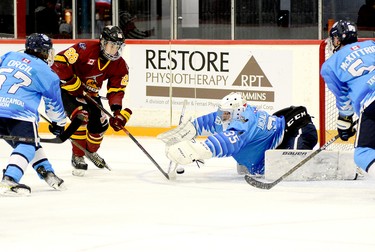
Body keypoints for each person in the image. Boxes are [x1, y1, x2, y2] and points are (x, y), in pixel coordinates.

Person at [158, 92, 318, 176]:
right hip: (280, 135)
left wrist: (195, 150)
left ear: (238, 112)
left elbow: (228, 141)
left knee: (293, 169)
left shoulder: (245, 121)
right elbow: (208, 122)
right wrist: (185, 131)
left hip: (297, 130)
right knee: (247, 169)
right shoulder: (229, 115)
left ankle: (323, 165)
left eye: (226, 113)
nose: (222, 117)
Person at [51, 25, 132, 177]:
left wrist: (116, 112)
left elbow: (116, 89)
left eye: (117, 46)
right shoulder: (85, 48)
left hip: (90, 94)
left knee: (101, 124)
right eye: (111, 45)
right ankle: (78, 155)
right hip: (68, 90)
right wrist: (71, 81)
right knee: (81, 117)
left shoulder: (120, 65)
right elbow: (59, 61)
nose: (114, 50)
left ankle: (90, 151)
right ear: (102, 43)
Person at [0, 33, 67, 196]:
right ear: (45, 52)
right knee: (27, 144)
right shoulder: (48, 74)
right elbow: (54, 107)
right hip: (19, 112)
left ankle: (47, 172)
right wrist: (59, 124)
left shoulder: (9, 56)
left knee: (28, 144)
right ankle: (9, 179)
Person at [321, 20, 375, 177]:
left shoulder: (330, 65)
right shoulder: (371, 45)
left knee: (363, 154)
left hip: (372, 102)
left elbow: (344, 98)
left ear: (337, 40)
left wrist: (345, 123)